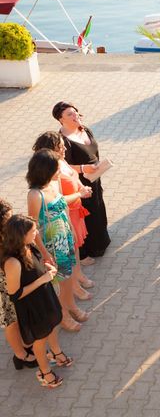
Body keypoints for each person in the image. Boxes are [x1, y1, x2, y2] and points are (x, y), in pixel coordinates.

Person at [2, 214, 69, 388]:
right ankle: (44, 372)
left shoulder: (29, 246)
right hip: (33, 306)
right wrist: (42, 280)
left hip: (44, 296)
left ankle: (56, 352)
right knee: (40, 340)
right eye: (33, 231)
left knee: (53, 324)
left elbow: (38, 267)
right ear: (21, 235)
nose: (36, 233)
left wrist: (49, 269)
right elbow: (15, 295)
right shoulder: (12, 263)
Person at [27, 149, 89, 332]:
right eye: (56, 168)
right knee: (58, 283)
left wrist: (71, 228)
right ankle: (63, 315)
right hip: (51, 244)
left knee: (68, 276)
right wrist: (45, 254)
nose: (59, 172)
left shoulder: (53, 184)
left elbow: (63, 204)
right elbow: (33, 226)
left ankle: (71, 306)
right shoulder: (34, 195)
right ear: (45, 170)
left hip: (65, 237)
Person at [32, 132, 95, 301]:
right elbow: (56, 202)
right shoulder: (50, 173)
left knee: (75, 249)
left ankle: (78, 276)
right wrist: (79, 194)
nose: (64, 149)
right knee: (69, 257)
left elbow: (73, 174)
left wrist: (81, 186)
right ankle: (74, 286)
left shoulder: (61, 161)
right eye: (60, 146)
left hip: (72, 211)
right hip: (64, 215)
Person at [53, 101, 111, 264]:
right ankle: (86, 251)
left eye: (75, 112)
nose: (75, 116)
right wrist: (85, 168)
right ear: (60, 119)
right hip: (78, 184)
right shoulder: (63, 141)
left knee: (98, 208)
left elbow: (94, 152)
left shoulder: (85, 130)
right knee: (84, 216)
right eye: (69, 114)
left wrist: (98, 167)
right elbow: (63, 165)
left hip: (94, 178)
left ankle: (102, 241)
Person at [0, 198, 38, 370]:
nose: (11, 218)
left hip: (12, 277)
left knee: (19, 315)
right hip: (3, 285)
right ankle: (20, 355)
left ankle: (25, 343)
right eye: (7, 217)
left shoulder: (7, 230)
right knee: (11, 321)